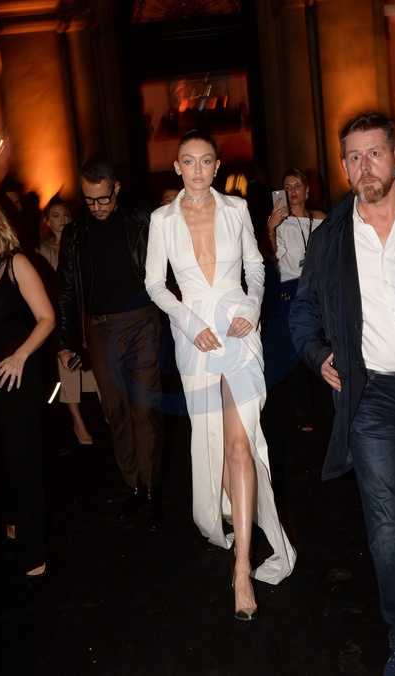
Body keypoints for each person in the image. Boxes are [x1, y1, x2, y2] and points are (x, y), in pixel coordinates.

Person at [289, 112, 395, 676]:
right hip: (371, 395)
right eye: (353, 157)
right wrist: (318, 354)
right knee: (386, 525)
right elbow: (302, 311)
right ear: (344, 166)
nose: (364, 166)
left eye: (374, 153)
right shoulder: (329, 238)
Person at [145, 129, 296, 621]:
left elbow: (257, 267)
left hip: (239, 330)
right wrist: (189, 324)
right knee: (213, 440)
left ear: (216, 165)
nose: (197, 170)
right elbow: (154, 284)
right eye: (188, 162)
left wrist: (250, 309)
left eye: (205, 161)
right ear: (177, 167)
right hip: (195, 337)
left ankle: (242, 567)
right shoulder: (162, 220)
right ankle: (228, 516)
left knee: (240, 444)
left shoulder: (236, 209)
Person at [57, 160, 163, 531]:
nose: (97, 207)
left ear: (115, 188)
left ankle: (151, 492)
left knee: (144, 407)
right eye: (89, 200)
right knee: (115, 410)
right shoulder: (76, 233)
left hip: (142, 320)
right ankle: (133, 486)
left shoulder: (141, 218)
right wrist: (64, 340)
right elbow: (66, 289)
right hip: (101, 329)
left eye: (103, 199)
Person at [0, 191, 56, 583]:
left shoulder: (16, 263)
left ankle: (33, 546)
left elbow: (46, 318)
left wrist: (21, 356)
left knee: (21, 458)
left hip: (16, 372)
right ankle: (10, 519)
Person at [263, 168, 326, 431]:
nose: (292, 192)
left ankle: (332, 405)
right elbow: (272, 256)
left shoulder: (321, 219)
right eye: (287, 187)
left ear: (307, 190)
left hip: (319, 289)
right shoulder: (279, 222)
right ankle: (304, 414)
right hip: (291, 290)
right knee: (296, 353)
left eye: (297, 186)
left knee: (325, 345)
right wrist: (270, 228)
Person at [38, 196, 98, 445]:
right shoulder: (40, 252)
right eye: (56, 216)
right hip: (57, 316)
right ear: (47, 221)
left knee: (96, 363)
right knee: (68, 366)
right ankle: (78, 422)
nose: (62, 220)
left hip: (83, 315)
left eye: (65, 215)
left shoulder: (81, 243)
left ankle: (111, 413)